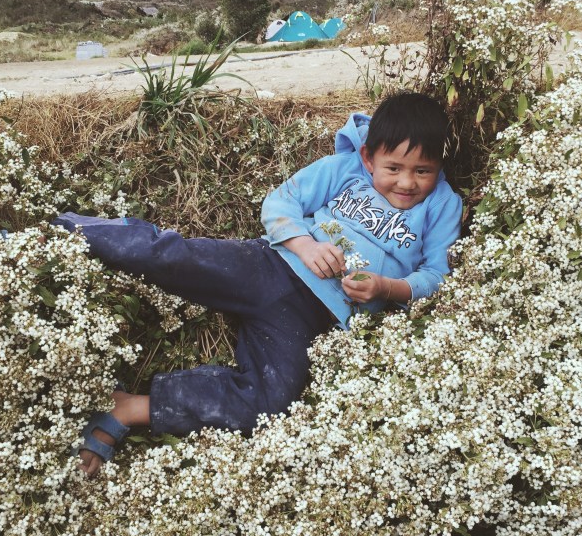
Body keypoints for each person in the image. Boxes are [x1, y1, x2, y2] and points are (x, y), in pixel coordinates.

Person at [57, 91, 463, 477]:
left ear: (438, 167)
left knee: (271, 404)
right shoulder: (344, 169)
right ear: (369, 158)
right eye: (394, 168)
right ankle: (70, 231)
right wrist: (304, 244)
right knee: (174, 257)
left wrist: (387, 288)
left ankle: (132, 408)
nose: (407, 184)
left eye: (422, 171)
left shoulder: (443, 204)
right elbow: (280, 203)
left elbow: (435, 275)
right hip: (270, 264)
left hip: (309, 320)